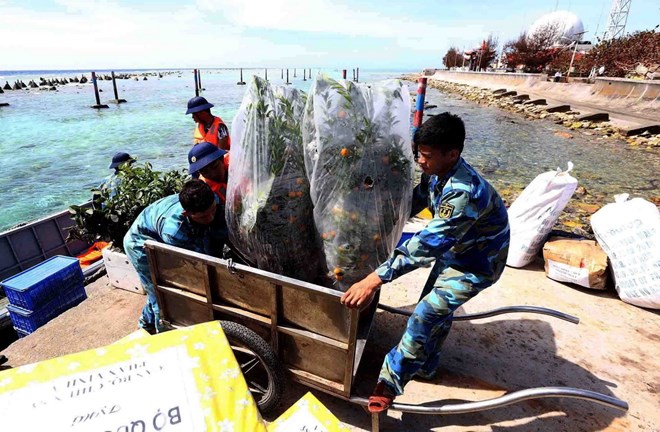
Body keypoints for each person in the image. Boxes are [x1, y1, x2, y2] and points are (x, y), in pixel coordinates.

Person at [340, 113, 510, 412]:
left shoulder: (463, 192)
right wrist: (371, 220)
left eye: (427, 155)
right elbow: (416, 199)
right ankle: (426, 366)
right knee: (436, 309)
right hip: (455, 250)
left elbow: (426, 245)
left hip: (477, 262)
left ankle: (389, 382)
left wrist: (373, 279)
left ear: (453, 154)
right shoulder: (435, 172)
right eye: (418, 153)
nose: (420, 160)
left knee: (427, 312)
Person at [123, 179, 228, 333]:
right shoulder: (174, 232)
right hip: (139, 245)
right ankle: (162, 337)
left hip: (157, 230)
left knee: (157, 292)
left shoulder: (212, 199)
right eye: (204, 217)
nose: (210, 218)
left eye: (213, 210)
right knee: (162, 295)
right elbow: (197, 264)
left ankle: (145, 325)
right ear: (187, 213)